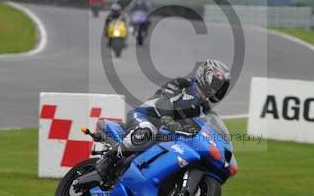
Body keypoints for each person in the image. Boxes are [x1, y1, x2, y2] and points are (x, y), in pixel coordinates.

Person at [96, 59, 231, 179]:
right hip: (146, 117)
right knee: (148, 132)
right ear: (205, 76)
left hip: (167, 133)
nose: (216, 89)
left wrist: (222, 141)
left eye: (220, 87)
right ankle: (109, 158)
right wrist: (168, 120)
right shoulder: (182, 84)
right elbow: (163, 101)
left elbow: (208, 126)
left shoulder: (204, 108)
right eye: (216, 83)